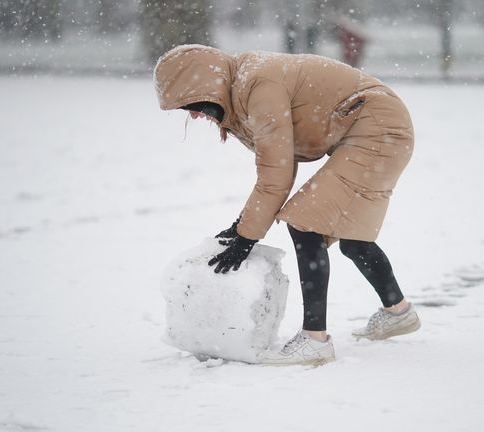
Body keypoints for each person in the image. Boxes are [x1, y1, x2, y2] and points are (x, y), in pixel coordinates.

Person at [153, 45, 421, 366]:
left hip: (377, 127)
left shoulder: (257, 85)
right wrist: (242, 228)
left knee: (305, 222)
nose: (195, 115)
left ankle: (314, 339)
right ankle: (398, 312)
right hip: (376, 125)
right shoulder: (242, 88)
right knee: (352, 240)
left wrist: (246, 234)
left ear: (204, 86)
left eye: (192, 104)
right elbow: (279, 164)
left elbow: (275, 174)